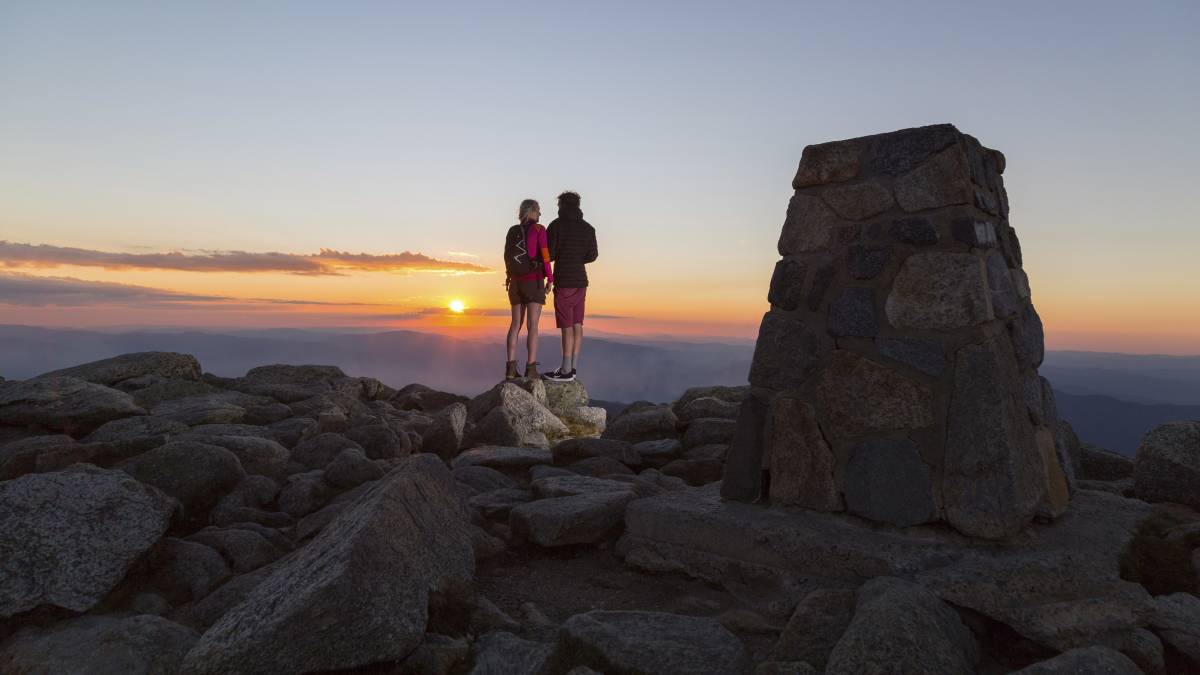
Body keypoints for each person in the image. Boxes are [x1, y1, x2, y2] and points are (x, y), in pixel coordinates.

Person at [543, 191, 597, 382]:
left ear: (562, 205)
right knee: (577, 324)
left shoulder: (556, 226)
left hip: (564, 280)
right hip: (581, 282)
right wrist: (577, 257)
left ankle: (565, 370)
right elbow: (593, 255)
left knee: (566, 326)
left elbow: (549, 253)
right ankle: (573, 367)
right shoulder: (588, 228)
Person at [504, 198, 553, 380]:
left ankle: (510, 369)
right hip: (534, 281)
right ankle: (531, 369)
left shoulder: (512, 231)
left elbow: (506, 257)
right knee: (532, 326)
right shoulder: (539, 230)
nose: (540, 214)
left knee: (515, 325)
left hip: (515, 282)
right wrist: (550, 279)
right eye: (538, 210)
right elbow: (546, 256)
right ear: (531, 211)